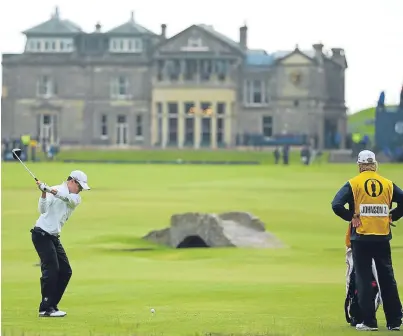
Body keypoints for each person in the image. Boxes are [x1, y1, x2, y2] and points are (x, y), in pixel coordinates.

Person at [331, 150, 403, 331]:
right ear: (374, 165)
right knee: (387, 278)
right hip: (382, 236)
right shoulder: (387, 184)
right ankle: (394, 321)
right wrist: (393, 216)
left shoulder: (354, 183)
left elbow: (336, 204)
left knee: (363, 278)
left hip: (361, 237)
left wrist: (351, 217)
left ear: (360, 166)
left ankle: (369, 321)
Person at [31, 170, 90, 317]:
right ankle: (45, 308)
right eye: (80, 187)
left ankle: (52, 306)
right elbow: (42, 210)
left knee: (66, 271)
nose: (81, 190)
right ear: (72, 181)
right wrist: (44, 193)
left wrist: (50, 190)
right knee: (51, 269)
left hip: (53, 237)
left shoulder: (75, 198)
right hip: (41, 234)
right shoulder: (54, 189)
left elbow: (66, 198)